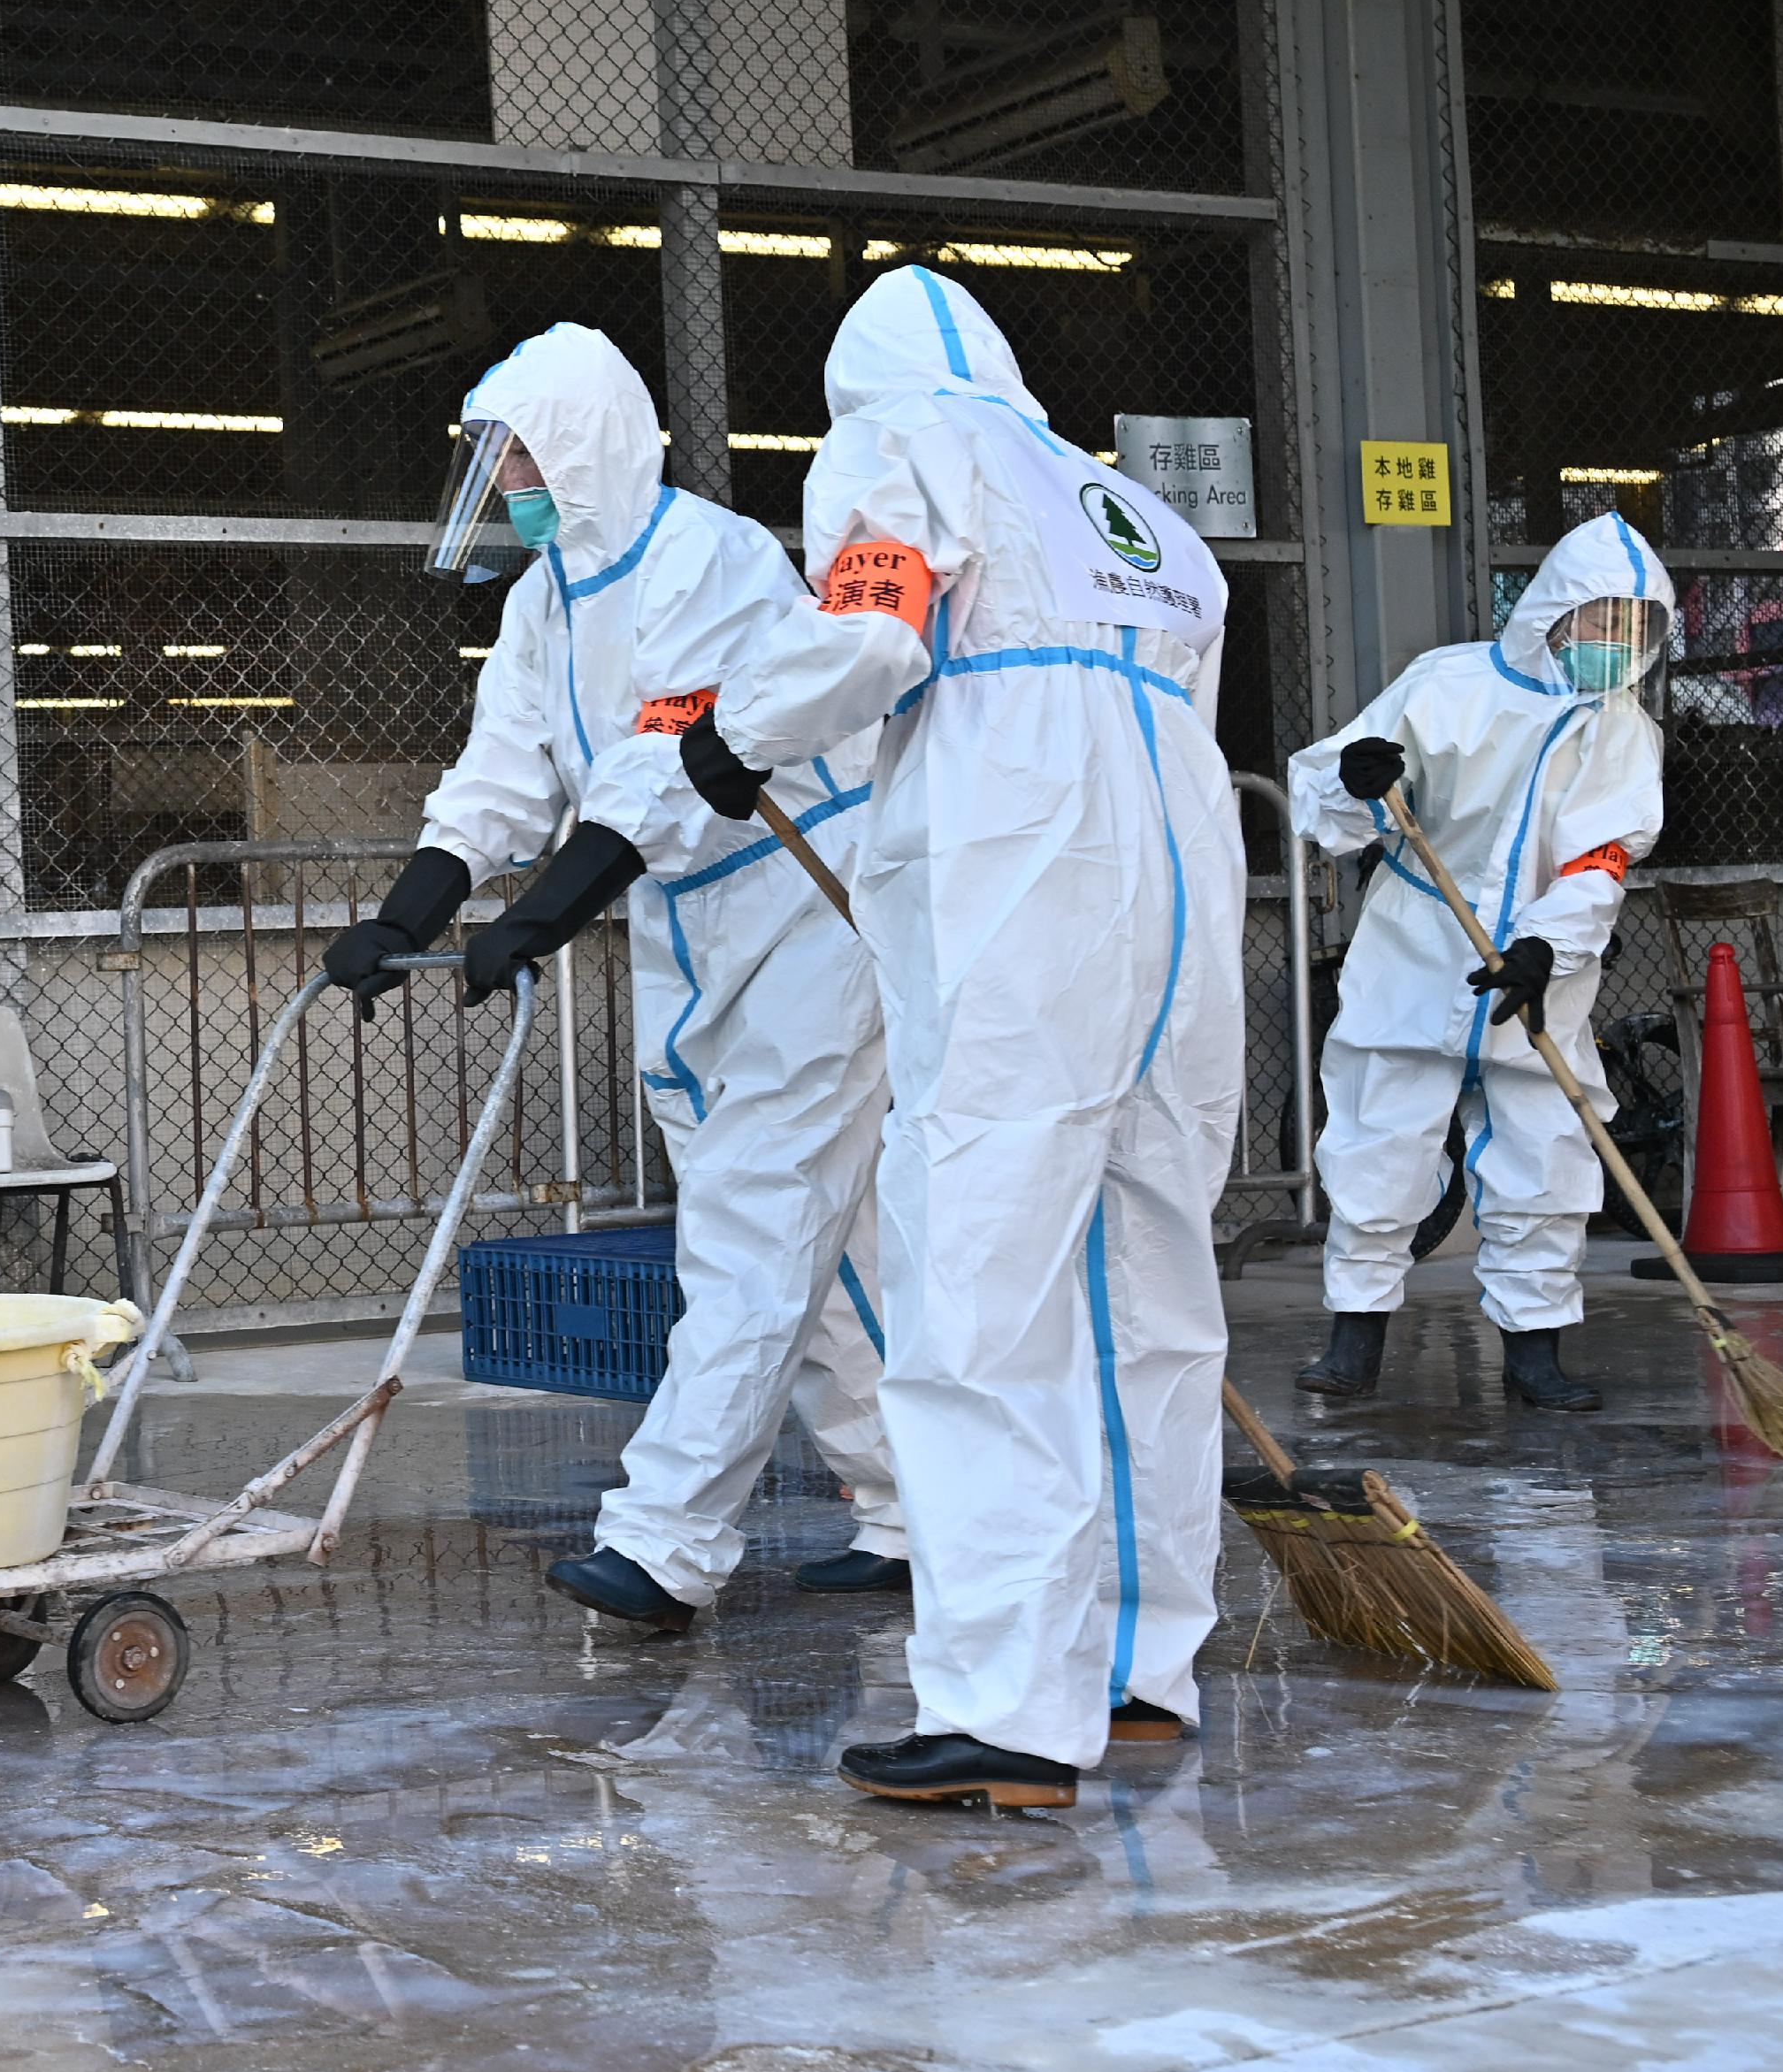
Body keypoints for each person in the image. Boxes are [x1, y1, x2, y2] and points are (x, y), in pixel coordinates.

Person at [681, 266, 1240, 1808]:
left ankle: (1007, 1704)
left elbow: (877, 631)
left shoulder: (900, 441)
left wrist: (741, 730)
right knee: (1151, 1277)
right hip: (1183, 851)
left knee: (983, 1265)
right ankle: (1139, 1664)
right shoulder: (1131, 511)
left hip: (1025, 854)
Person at [322, 321, 907, 1637]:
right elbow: (505, 771)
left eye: (515, 451)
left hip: (808, 923)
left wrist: (539, 913)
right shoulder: (546, 598)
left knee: (754, 1241)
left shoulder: (716, 561)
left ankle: (665, 1542)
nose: (501, 479)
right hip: (689, 936)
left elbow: (673, 769)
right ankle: (912, 1505)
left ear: (580, 448)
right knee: (828, 1242)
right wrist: (408, 904)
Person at [1286, 515, 1670, 1414]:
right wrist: (1360, 777)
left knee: (1545, 1160)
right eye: (1600, 620)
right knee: (1377, 1152)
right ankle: (1354, 1339)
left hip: (1541, 975)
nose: (1613, 645)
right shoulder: (1446, 685)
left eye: (1633, 628)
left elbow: (1599, 858)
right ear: (1553, 613)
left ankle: (1534, 1354)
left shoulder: (1622, 730)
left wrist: (1543, 946)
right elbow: (1330, 797)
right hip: (1416, 958)